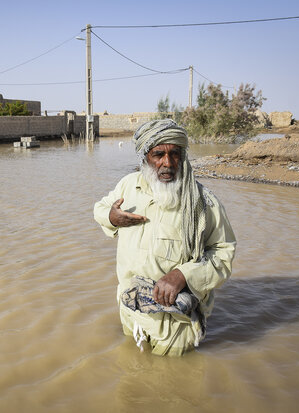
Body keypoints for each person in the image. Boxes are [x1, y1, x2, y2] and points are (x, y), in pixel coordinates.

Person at [93, 119, 236, 356]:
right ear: (145, 157)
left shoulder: (203, 202)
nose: (167, 163)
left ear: (183, 156)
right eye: (158, 154)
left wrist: (184, 275)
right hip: (131, 310)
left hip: (174, 324)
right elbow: (101, 207)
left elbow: (224, 251)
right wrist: (111, 217)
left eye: (175, 154)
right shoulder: (128, 186)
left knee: (175, 386)